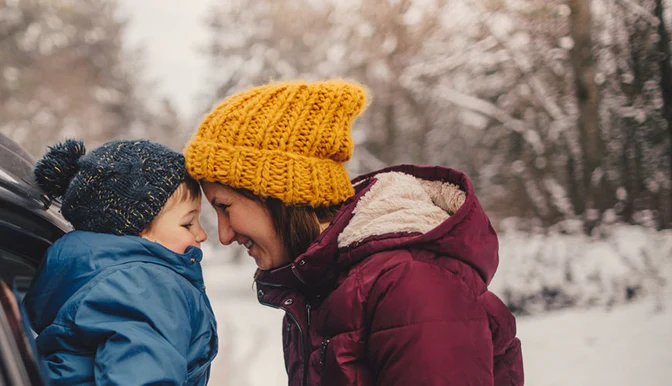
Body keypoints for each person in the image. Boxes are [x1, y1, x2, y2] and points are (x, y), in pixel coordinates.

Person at [183, 80, 524, 385]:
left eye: (225, 207)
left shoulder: (412, 287)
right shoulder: (320, 286)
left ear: (281, 194)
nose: (224, 235)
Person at [24, 139, 217, 385]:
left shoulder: (109, 282)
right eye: (188, 223)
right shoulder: (143, 287)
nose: (202, 234)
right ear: (137, 231)